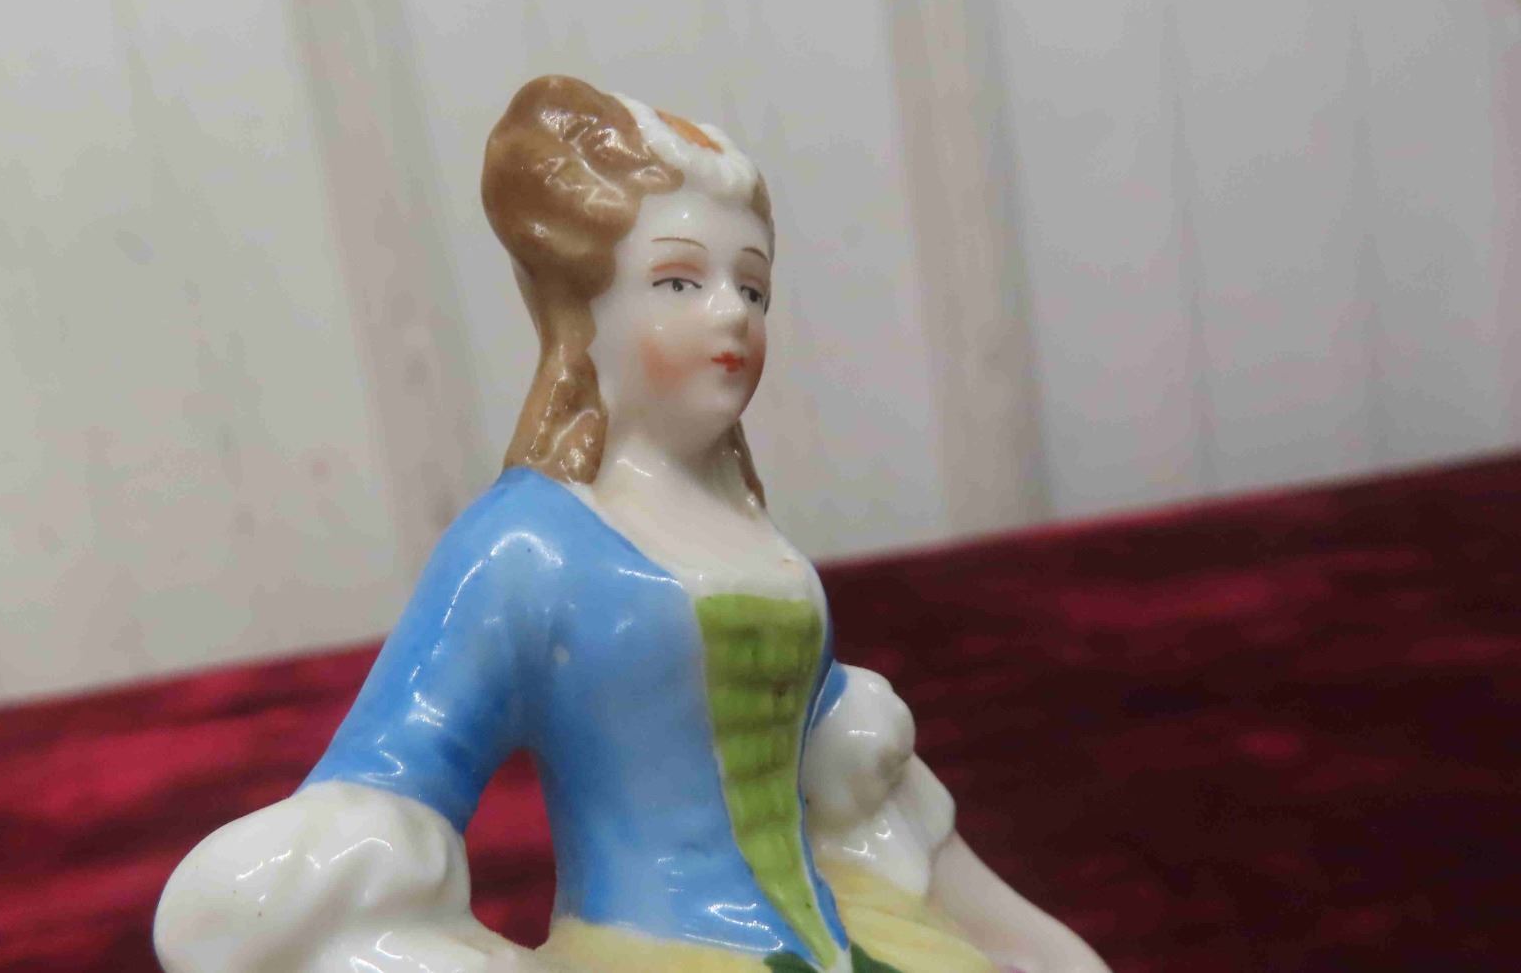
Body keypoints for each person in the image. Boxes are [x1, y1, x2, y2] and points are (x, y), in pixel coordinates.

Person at [155, 75, 1109, 973]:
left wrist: (1043, 945)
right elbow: (387, 789)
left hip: (836, 925)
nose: (732, 315)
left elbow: (853, 772)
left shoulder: (752, 532)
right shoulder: (524, 546)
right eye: (680, 282)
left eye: (753, 288)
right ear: (584, 307)